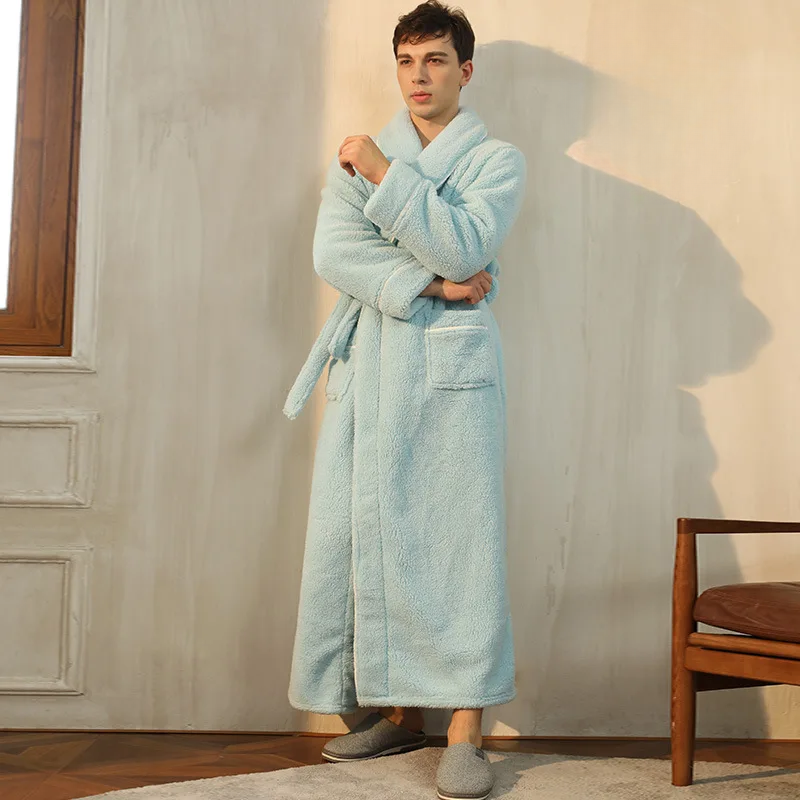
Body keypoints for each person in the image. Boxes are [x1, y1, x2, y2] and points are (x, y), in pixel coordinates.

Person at [283, 2, 526, 798]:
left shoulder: (495, 161)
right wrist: (433, 284)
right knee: (356, 539)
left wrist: (386, 177)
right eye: (407, 61)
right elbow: (334, 251)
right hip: (372, 366)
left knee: (459, 547)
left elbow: (467, 244)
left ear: (465, 69)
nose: (419, 76)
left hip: (453, 378)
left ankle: (465, 729)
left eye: (435, 60)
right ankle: (395, 712)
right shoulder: (356, 158)